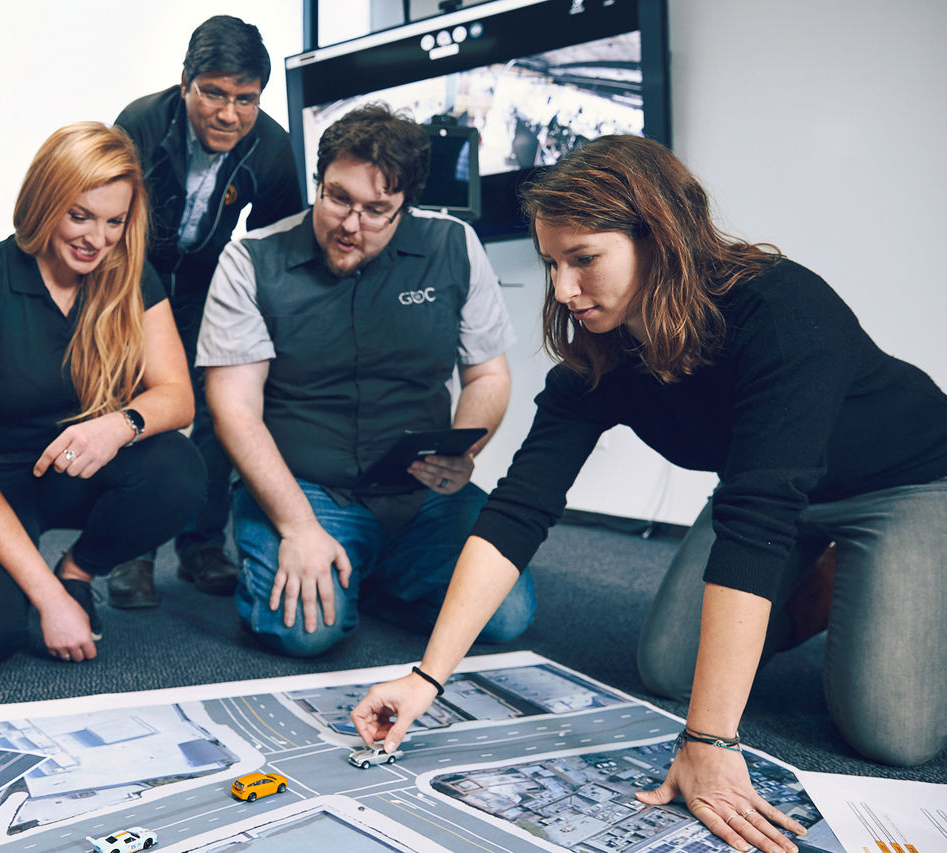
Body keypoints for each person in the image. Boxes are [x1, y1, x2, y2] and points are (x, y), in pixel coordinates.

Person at [350, 135, 947, 853]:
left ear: (659, 238)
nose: (562, 290)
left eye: (583, 259)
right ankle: (829, 583)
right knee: (668, 666)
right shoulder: (601, 355)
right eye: (551, 263)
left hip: (904, 482)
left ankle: (863, 575)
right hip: (771, 492)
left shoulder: (782, 308)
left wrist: (709, 740)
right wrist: (426, 677)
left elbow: (755, 524)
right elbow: (517, 508)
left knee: (892, 732)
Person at [197, 104, 537, 658]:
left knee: (506, 615)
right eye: (337, 198)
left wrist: (465, 451)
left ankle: (370, 576)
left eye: (377, 210)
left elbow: (488, 375)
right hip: (306, 489)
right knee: (305, 632)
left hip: (421, 493)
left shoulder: (454, 246)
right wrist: (297, 526)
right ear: (319, 182)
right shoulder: (250, 260)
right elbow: (233, 408)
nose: (350, 225)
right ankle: (347, 568)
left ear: (406, 207)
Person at [0, 122, 206, 672]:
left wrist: (118, 425)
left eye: (115, 221)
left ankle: (78, 571)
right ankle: (35, 582)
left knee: (180, 468)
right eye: (80, 215)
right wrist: (48, 601)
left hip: (74, 469)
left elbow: (178, 397)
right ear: (45, 201)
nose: (98, 239)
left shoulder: (129, 274)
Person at [110, 15, 304, 608]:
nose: (229, 113)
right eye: (214, 94)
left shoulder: (272, 148)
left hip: (208, 285)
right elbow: (111, 224)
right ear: (186, 84)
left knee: (219, 409)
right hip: (135, 281)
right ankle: (132, 553)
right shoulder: (139, 125)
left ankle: (200, 547)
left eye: (245, 99)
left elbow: (275, 246)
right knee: (141, 409)